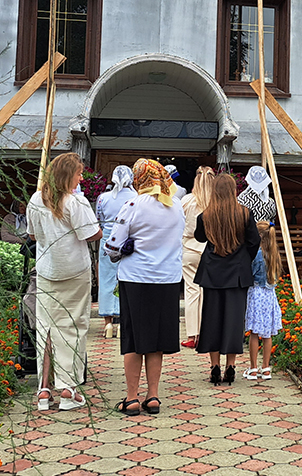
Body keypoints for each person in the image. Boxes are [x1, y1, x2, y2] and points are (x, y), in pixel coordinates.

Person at [103, 159, 185, 416]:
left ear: (139, 179)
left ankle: (131, 398)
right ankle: (153, 395)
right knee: (156, 340)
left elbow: (112, 247)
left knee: (134, 338)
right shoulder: (176, 206)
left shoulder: (132, 205)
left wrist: (122, 250)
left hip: (136, 278)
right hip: (168, 279)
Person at [25, 153, 102, 412]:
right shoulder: (75, 202)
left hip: (47, 270)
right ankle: (68, 388)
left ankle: (43, 390)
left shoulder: (36, 199)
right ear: (68, 176)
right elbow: (92, 235)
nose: (81, 179)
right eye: (78, 174)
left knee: (46, 328)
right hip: (74, 271)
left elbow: (32, 235)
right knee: (72, 327)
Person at [193, 174, 260, 385]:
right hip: (237, 273)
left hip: (212, 271)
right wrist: (242, 259)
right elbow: (254, 241)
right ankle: (231, 366)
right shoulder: (245, 214)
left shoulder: (205, 215)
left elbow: (199, 237)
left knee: (212, 318)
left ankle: (214, 366)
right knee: (233, 319)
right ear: (233, 191)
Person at [96, 166, 136, 338]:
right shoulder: (137, 197)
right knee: (127, 277)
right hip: (129, 240)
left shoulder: (103, 198)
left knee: (106, 278)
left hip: (107, 240)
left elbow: (98, 219)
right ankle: (124, 320)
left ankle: (108, 323)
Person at [243, 220, 284, 381]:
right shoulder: (274, 252)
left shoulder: (257, 253)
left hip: (256, 294)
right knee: (267, 334)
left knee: (254, 333)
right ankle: (266, 368)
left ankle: (253, 368)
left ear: (259, 235)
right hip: (270, 295)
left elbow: (251, 273)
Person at [180, 167, 216, 349]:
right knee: (208, 293)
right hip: (210, 250)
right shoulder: (216, 202)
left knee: (192, 292)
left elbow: (178, 223)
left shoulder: (186, 201)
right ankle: (207, 333)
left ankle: (193, 335)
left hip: (189, 249)